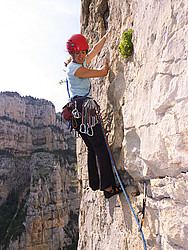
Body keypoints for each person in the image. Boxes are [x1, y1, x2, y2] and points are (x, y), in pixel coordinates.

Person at [64, 33, 122, 199]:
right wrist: (106, 65)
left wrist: (106, 36)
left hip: (77, 112)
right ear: (72, 54)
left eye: (83, 52)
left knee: (92, 147)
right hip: (85, 111)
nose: (82, 55)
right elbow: (103, 73)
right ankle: (109, 188)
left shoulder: (76, 64)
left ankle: (96, 183)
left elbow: (94, 52)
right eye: (78, 53)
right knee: (101, 147)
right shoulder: (77, 69)